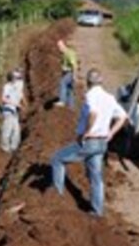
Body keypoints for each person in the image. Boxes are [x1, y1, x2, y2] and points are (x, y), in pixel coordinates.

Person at [50, 68, 128, 217]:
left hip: (90, 142)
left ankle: (56, 198)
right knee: (96, 178)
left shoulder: (90, 95)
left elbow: (93, 113)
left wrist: (87, 131)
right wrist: (111, 133)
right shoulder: (110, 97)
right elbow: (123, 117)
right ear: (101, 81)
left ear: (87, 82)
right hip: (102, 144)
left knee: (57, 159)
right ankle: (97, 211)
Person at [0, 69, 25, 153]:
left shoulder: (15, 85)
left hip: (14, 111)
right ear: (12, 78)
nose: (17, 78)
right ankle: (5, 148)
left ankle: (14, 148)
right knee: (7, 130)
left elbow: (20, 90)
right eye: (15, 77)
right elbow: (4, 99)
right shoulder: (7, 87)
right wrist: (15, 104)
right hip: (8, 110)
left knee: (16, 130)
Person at [55, 39, 79, 108]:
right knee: (69, 89)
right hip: (67, 73)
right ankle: (71, 107)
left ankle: (62, 101)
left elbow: (74, 65)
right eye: (58, 47)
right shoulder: (64, 54)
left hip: (71, 73)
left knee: (62, 82)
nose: (59, 48)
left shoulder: (69, 53)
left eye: (59, 46)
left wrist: (74, 76)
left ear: (63, 45)